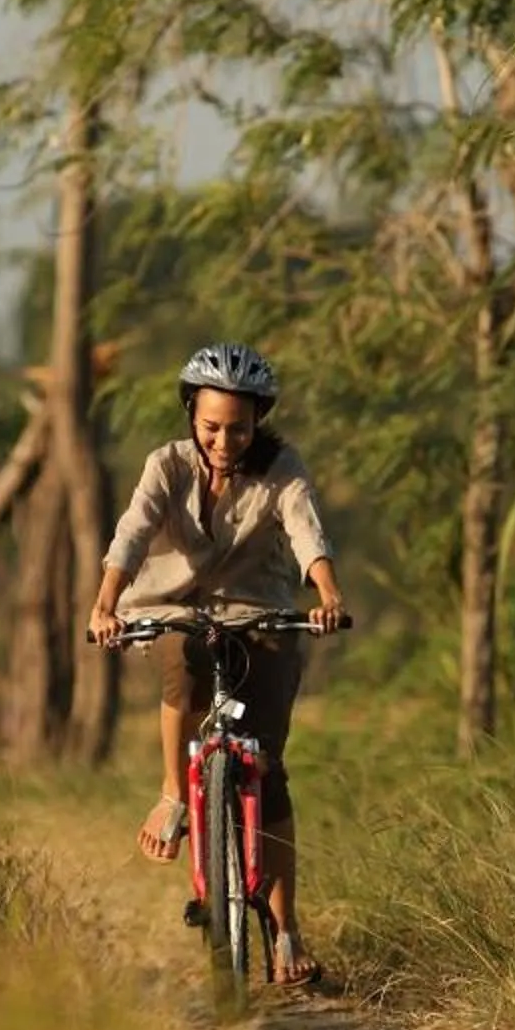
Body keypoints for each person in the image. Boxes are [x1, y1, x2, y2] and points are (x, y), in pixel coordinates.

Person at [89, 342, 346, 986]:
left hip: (260, 613)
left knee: (270, 768)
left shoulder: (281, 468)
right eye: (211, 427)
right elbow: (132, 534)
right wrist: (105, 605)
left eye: (239, 428)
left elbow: (305, 530)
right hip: (175, 609)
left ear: (259, 420)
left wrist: (327, 594)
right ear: (190, 415)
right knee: (183, 662)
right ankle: (174, 794)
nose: (225, 442)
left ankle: (285, 934)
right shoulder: (166, 466)